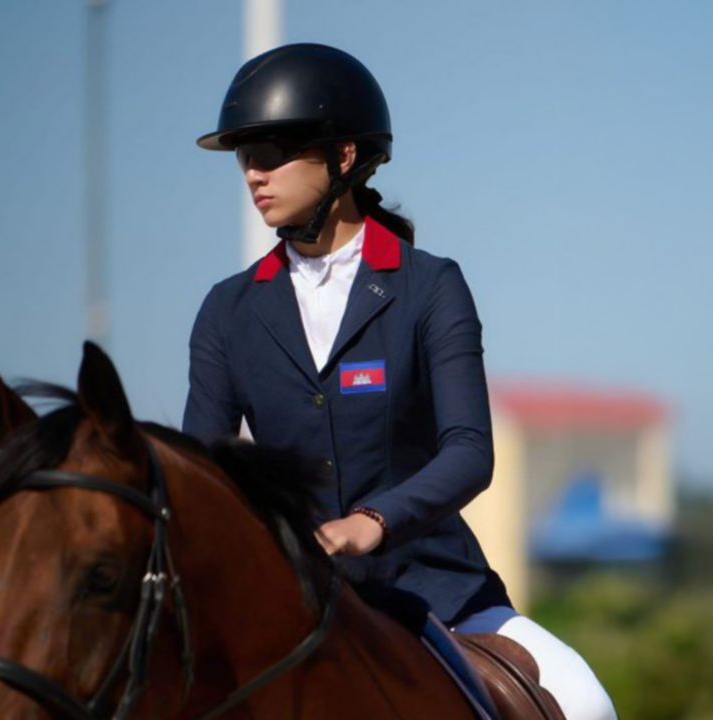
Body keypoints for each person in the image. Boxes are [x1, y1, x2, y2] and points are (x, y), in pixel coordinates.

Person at [183, 43, 616, 720]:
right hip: (293, 606)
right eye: (245, 159)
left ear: (343, 158)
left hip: (437, 592)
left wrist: (373, 523)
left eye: (271, 155)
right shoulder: (227, 311)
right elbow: (203, 472)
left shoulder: (429, 287)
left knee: (587, 700)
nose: (254, 175)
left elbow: (470, 451)